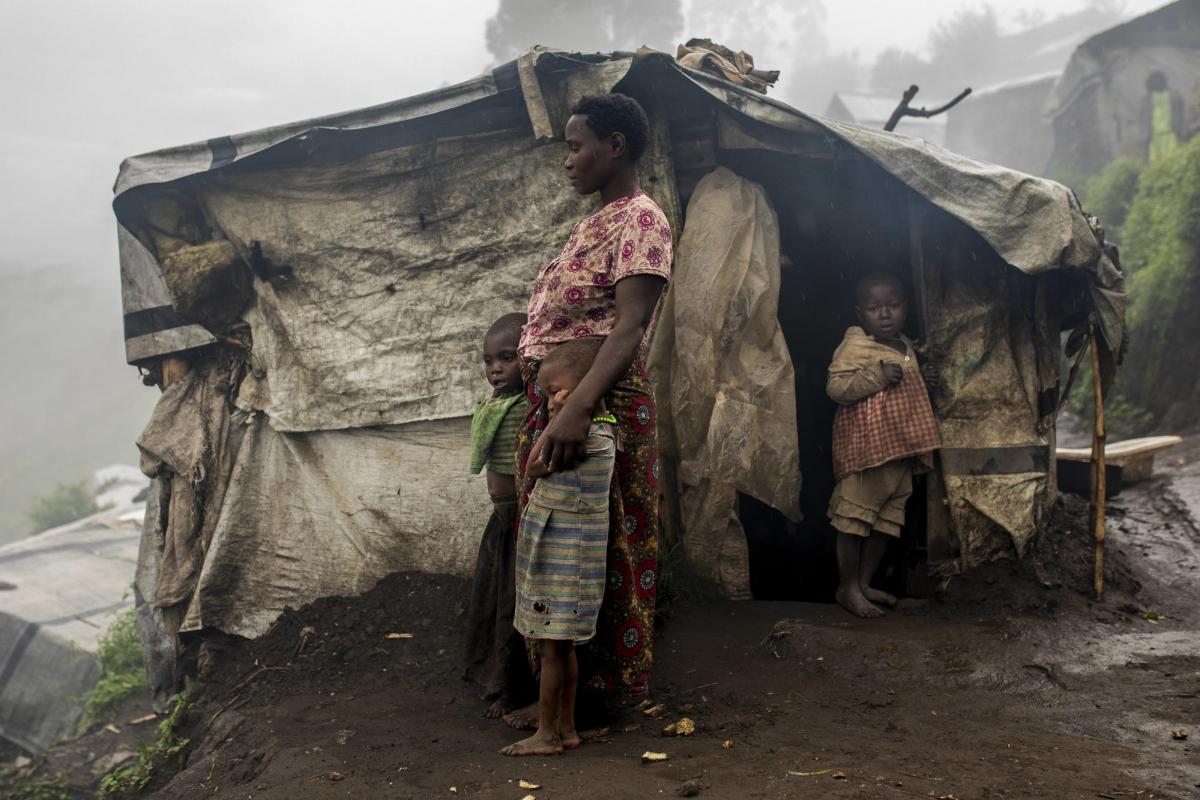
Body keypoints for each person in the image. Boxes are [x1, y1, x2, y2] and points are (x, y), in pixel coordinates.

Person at [505, 92, 672, 730]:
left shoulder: (641, 219)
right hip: (562, 405)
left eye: (577, 147)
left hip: (598, 411)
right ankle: (559, 697)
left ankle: (597, 701)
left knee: (596, 551)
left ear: (616, 147)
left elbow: (628, 328)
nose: (568, 161)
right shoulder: (593, 223)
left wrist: (576, 408)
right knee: (556, 548)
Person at [502, 338, 617, 756]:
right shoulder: (603, 431)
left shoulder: (588, 436)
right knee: (561, 648)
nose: (549, 401)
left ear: (587, 387)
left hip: (564, 563)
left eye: (554, 392)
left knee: (554, 652)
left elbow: (533, 466)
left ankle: (547, 734)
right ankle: (565, 728)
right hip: (567, 559)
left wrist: (562, 416)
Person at [826, 272, 940, 618]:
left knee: (886, 520)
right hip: (866, 452)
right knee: (853, 518)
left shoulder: (906, 345)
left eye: (892, 305)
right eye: (875, 308)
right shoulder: (855, 346)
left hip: (898, 450)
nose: (885, 314)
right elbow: (836, 388)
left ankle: (863, 583)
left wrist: (926, 381)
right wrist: (876, 376)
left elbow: (909, 391)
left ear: (905, 308)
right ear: (860, 313)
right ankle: (846, 587)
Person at [462, 313, 535, 717]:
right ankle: (498, 680)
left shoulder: (532, 405)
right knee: (493, 603)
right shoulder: (496, 406)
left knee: (516, 608)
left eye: (507, 357)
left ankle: (518, 692)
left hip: (523, 522)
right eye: (489, 361)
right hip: (502, 523)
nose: (496, 369)